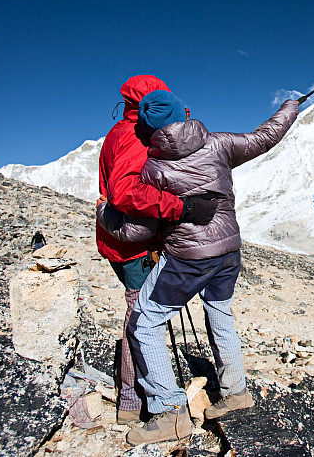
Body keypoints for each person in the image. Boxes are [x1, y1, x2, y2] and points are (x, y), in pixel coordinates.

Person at [98, 89, 298, 446]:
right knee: (220, 313)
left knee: (144, 321)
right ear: (184, 113)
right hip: (230, 250)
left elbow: (138, 231)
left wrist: (106, 214)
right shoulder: (219, 144)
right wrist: (289, 109)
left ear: (147, 128)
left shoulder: (154, 169)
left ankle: (169, 412)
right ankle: (236, 392)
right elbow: (265, 136)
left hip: (188, 259)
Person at [96, 75, 218, 425]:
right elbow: (125, 193)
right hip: (131, 245)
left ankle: (142, 393)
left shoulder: (122, 130)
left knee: (142, 313)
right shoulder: (135, 137)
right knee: (141, 318)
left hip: (123, 240)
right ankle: (137, 400)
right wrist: (182, 208)